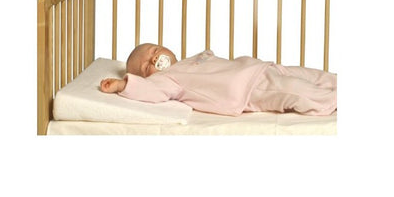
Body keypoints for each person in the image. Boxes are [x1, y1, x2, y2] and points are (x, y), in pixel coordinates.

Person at [100, 43, 337, 116]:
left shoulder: (193, 60)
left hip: (262, 69)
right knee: (297, 91)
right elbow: (150, 91)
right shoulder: (168, 79)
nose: (154, 60)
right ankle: (333, 100)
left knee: (311, 75)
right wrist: (123, 84)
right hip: (249, 89)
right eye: (147, 67)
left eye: (155, 51)